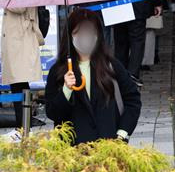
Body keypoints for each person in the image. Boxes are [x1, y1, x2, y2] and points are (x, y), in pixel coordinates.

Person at [45, 9, 141, 144]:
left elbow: (133, 100)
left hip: (108, 149)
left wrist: (122, 133)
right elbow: (52, 112)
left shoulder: (111, 65)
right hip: (73, 152)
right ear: (70, 36)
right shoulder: (59, 71)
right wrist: (66, 89)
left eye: (90, 32)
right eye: (79, 33)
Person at [1, 7, 44, 128]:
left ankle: (24, 125)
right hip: (19, 40)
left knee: (19, 84)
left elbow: (20, 7)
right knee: (19, 84)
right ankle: (23, 124)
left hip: (20, 41)